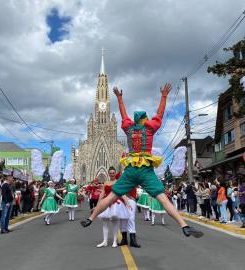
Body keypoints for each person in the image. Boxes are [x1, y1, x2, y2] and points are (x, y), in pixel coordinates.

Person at [81, 84, 203, 238]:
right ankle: (184, 225)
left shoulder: (128, 129)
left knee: (111, 196)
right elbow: (160, 114)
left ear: (135, 120)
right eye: (146, 118)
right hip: (145, 170)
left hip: (131, 169)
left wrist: (119, 98)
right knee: (163, 199)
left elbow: (123, 114)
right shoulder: (150, 129)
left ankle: (90, 218)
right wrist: (164, 96)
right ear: (144, 119)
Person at [96, 167, 130, 248]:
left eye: (113, 173)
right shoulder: (106, 182)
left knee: (115, 223)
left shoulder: (118, 182)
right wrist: (98, 204)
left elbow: (122, 193)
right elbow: (102, 194)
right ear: (108, 173)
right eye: (110, 173)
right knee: (105, 223)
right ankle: (105, 241)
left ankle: (115, 241)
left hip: (115, 204)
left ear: (115, 173)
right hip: (106, 204)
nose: (112, 174)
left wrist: (126, 201)